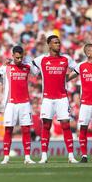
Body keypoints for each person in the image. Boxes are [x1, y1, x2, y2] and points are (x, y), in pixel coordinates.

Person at [31, 35, 79, 164]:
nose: (58, 45)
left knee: (66, 125)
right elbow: (32, 70)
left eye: (59, 42)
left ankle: (71, 156)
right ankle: (44, 156)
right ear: (49, 45)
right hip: (47, 97)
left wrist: (67, 78)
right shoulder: (41, 59)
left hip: (62, 97)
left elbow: (78, 68)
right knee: (46, 126)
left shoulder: (66, 59)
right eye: (55, 43)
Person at [0, 45, 35, 164]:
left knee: (26, 130)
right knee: (8, 130)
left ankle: (28, 158)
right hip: (11, 103)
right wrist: (3, 65)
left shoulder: (27, 67)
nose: (19, 60)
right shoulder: (7, 67)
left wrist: (28, 60)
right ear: (13, 55)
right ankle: (6, 157)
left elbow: (37, 72)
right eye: (17, 57)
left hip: (25, 103)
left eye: (21, 58)